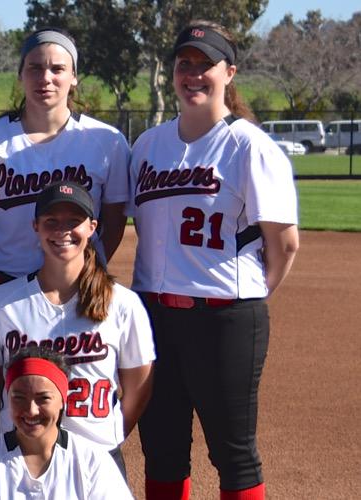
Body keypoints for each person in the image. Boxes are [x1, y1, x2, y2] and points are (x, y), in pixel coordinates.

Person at [130, 22, 299, 500]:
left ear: (230, 72)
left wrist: (248, 297)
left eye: (205, 64)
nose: (193, 74)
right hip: (154, 316)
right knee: (161, 450)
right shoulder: (148, 145)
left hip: (224, 318)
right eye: (184, 63)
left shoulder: (249, 145)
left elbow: (284, 244)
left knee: (233, 453)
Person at [0, 180, 155, 474]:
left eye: (74, 221)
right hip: (22, 456)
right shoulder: (1, 302)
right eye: (51, 221)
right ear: (36, 226)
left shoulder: (122, 303)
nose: (62, 230)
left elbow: (139, 385)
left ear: (92, 227)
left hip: (97, 457)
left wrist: (109, 434)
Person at [0, 28, 131, 298]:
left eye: (57, 69)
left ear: (73, 76)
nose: (45, 78)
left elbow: (113, 222)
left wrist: (87, 267)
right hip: (2, 280)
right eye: (35, 68)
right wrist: (1, 258)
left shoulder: (108, 142)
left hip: (78, 281)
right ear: (21, 74)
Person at [0, 347, 132, 499]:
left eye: (43, 398)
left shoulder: (92, 461)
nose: (31, 410)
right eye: (19, 398)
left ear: (62, 400)